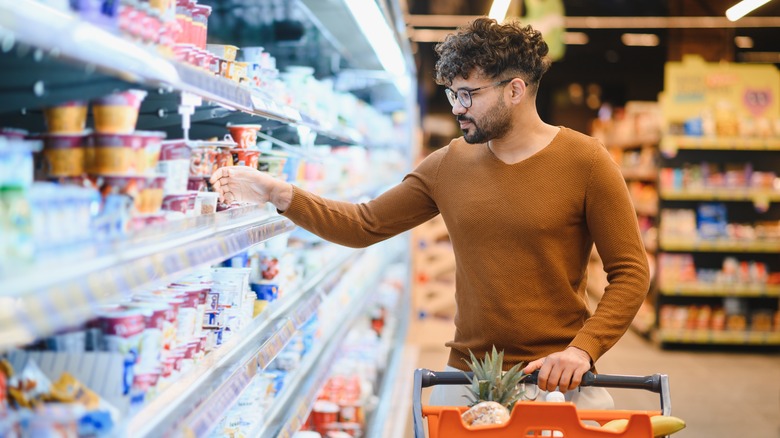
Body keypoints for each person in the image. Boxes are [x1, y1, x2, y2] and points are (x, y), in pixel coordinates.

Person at [210, 17, 649, 409]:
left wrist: (583, 349)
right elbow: (365, 224)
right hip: (466, 379)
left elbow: (630, 271)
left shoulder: (586, 162)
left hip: (557, 380)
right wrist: (277, 192)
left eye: (467, 94)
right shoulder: (448, 164)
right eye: (451, 93)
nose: (456, 107)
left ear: (515, 90)